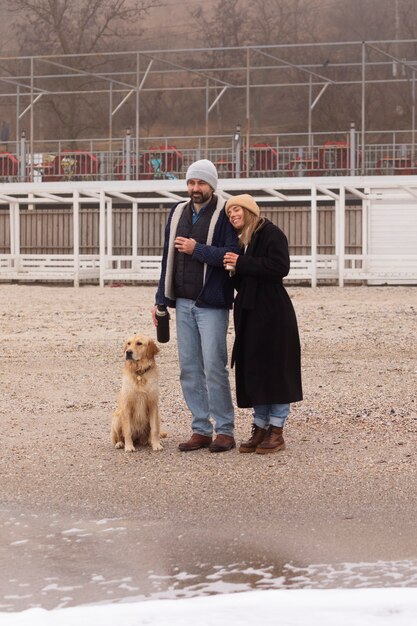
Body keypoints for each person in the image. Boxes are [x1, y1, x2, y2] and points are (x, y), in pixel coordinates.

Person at [152, 159, 240, 452]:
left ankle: (225, 430)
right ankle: (201, 428)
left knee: (215, 367)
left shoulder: (226, 212)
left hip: (211, 303)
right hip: (184, 302)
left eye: (201, 183)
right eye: (191, 182)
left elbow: (231, 254)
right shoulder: (177, 211)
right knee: (189, 368)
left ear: (212, 185)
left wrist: (196, 249)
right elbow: (167, 258)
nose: (195, 188)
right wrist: (160, 300)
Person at [223, 194, 303, 454]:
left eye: (237, 210)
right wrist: (234, 271)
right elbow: (247, 277)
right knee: (255, 367)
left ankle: (276, 430)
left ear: (249, 211)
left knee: (275, 368)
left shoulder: (270, 232)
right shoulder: (243, 239)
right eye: (229, 213)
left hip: (272, 311)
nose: (233, 215)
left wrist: (241, 263)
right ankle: (260, 426)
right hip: (250, 311)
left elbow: (280, 267)